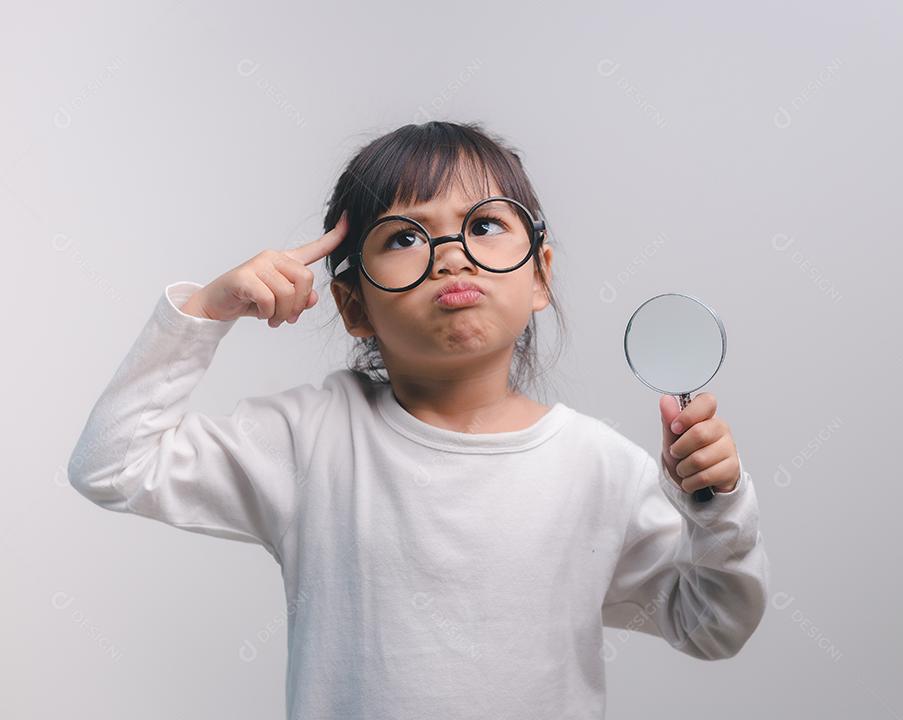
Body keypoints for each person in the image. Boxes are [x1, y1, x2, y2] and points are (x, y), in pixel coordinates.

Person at [66, 120, 769, 719]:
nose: (450, 254)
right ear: (353, 308)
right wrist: (206, 313)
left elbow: (712, 625)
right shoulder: (312, 442)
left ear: (540, 276)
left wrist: (717, 508)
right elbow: (113, 465)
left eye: (485, 225)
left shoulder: (600, 466)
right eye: (404, 238)